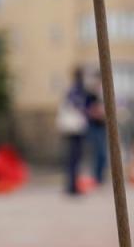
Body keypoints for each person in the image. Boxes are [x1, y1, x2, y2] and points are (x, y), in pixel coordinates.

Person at [58, 67, 90, 196]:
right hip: (75, 128)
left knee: (73, 158)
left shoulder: (73, 89)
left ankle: (72, 185)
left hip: (72, 128)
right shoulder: (77, 89)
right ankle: (72, 186)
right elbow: (78, 105)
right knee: (74, 158)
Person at [85, 72, 108, 184]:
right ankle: (97, 177)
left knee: (103, 153)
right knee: (99, 152)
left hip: (102, 126)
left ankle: (100, 177)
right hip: (94, 126)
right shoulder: (90, 96)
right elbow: (88, 111)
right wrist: (98, 113)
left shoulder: (102, 95)